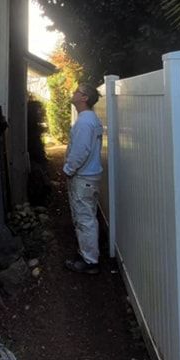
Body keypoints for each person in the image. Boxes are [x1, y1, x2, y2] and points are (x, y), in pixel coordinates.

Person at [62, 83, 103, 274]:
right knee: (87, 216)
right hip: (89, 176)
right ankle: (87, 253)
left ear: (84, 98)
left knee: (84, 218)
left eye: (77, 91)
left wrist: (69, 169)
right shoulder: (89, 119)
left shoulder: (85, 122)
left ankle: (90, 262)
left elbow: (80, 151)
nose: (74, 92)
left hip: (83, 178)